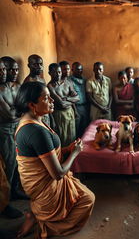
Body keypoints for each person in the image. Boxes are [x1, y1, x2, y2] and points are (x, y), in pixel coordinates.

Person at [14, 81, 95, 239]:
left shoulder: (32, 121)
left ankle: (36, 213)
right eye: (47, 98)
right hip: (46, 184)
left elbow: (43, 154)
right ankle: (45, 224)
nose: (52, 101)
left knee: (84, 196)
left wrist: (66, 149)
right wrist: (75, 153)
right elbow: (58, 174)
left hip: (41, 181)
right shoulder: (36, 131)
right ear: (32, 104)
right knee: (87, 201)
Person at [0, 57, 28, 201]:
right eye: (8, 69)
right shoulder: (0, 90)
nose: (12, 72)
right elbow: (10, 116)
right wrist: (18, 111)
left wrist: (17, 110)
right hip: (5, 130)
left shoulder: (18, 87)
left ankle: (15, 190)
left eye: (14, 69)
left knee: (19, 162)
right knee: (9, 164)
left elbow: (25, 107)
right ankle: (6, 200)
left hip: (18, 127)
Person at [47, 63, 79, 147]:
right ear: (49, 73)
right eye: (54, 72)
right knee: (62, 138)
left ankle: (72, 156)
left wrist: (66, 99)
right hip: (59, 115)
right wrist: (71, 100)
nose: (58, 74)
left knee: (72, 136)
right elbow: (61, 104)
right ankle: (63, 158)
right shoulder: (50, 86)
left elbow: (78, 98)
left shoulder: (68, 83)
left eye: (59, 72)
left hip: (70, 113)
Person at [70, 62, 90, 138]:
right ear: (72, 70)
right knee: (76, 128)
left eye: (81, 69)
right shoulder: (69, 80)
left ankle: (84, 145)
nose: (80, 71)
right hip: (76, 107)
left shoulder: (85, 80)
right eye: (78, 69)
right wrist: (75, 111)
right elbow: (70, 97)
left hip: (85, 107)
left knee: (85, 128)